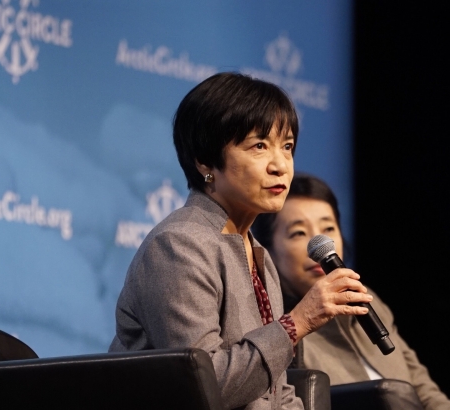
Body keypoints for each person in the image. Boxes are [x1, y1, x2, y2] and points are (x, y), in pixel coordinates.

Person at [108, 72, 374, 410]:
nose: (281, 165)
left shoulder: (256, 251)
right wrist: (298, 322)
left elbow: (277, 390)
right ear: (205, 161)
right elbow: (207, 388)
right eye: (259, 146)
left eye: (287, 146)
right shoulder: (178, 246)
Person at [252, 173, 450, 410]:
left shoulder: (368, 299)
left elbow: (421, 386)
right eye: (299, 233)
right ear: (269, 248)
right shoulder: (276, 325)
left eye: (328, 229)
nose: (319, 244)